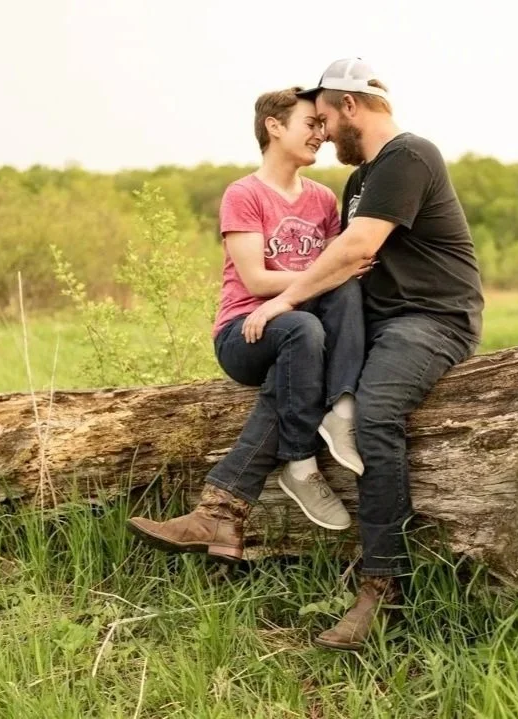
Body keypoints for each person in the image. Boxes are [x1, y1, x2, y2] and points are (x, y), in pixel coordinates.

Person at [244, 58, 485, 650]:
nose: (322, 130)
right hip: (377, 324)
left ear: (350, 105)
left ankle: (383, 586)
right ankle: (222, 508)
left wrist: (283, 301)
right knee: (296, 369)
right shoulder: (359, 181)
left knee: (376, 416)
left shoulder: (409, 155)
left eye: (324, 114)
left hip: (430, 319)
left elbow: (355, 250)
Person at [127, 87, 372, 558]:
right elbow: (257, 279)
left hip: (303, 340)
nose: (320, 135)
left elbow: (341, 273)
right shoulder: (245, 194)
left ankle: (221, 515)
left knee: (331, 307)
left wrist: (330, 279)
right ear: (273, 127)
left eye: (323, 127)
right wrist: (312, 283)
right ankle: (300, 459)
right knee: (304, 328)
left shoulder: (322, 200)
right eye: (309, 124)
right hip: (247, 332)